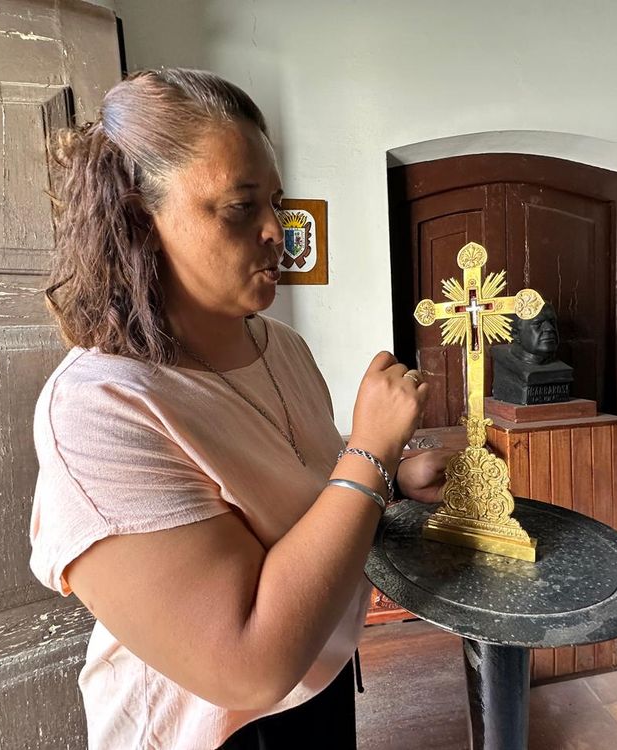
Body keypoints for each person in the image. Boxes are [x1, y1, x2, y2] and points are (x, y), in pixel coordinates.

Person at [28, 69, 450, 750]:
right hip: (210, 730)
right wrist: (371, 454)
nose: (277, 232)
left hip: (322, 683)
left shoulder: (280, 347)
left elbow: (292, 495)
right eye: (238, 208)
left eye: (277, 204)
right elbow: (249, 663)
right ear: (140, 218)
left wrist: (394, 479)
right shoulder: (99, 410)